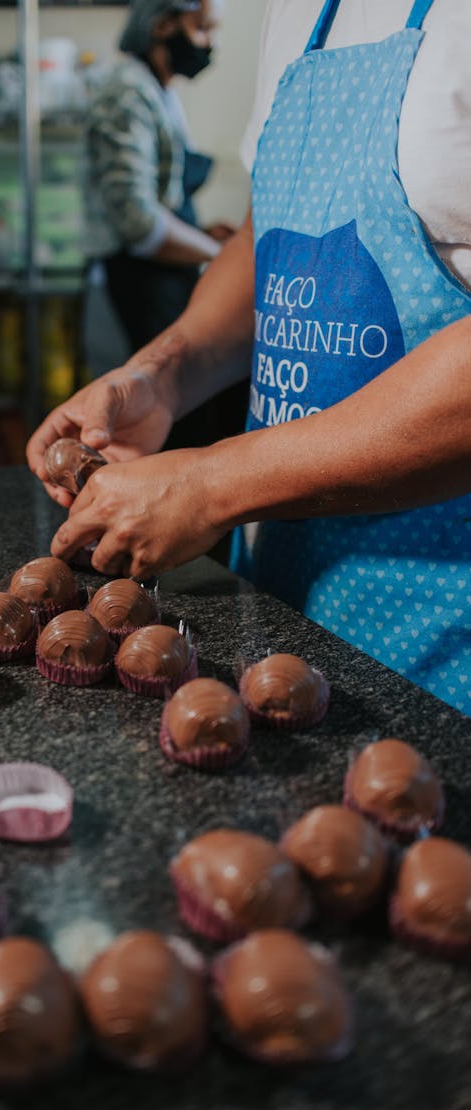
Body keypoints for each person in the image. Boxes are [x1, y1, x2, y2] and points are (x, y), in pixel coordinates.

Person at [28, 0, 471, 716]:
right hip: (284, 597)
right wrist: (162, 374)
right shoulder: (297, 13)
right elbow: (269, 232)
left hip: (446, 629)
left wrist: (212, 484)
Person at [84, 0, 246, 448]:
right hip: (133, 283)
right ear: (164, 25)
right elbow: (137, 221)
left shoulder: (161, 91)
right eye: (203, 30)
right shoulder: (125, 91)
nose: (210, 45)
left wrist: (205, 232)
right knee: (156, 426)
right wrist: (222, 255)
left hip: (163, 279)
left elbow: (163, 196)